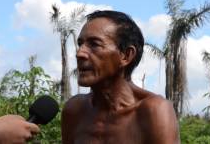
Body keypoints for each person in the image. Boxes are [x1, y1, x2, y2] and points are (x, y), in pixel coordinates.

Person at [62, 10, 180, 144]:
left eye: (94, 44)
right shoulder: (75, 110)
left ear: (126, 55)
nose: (79, 53)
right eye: (80, 44)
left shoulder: (153, 111)